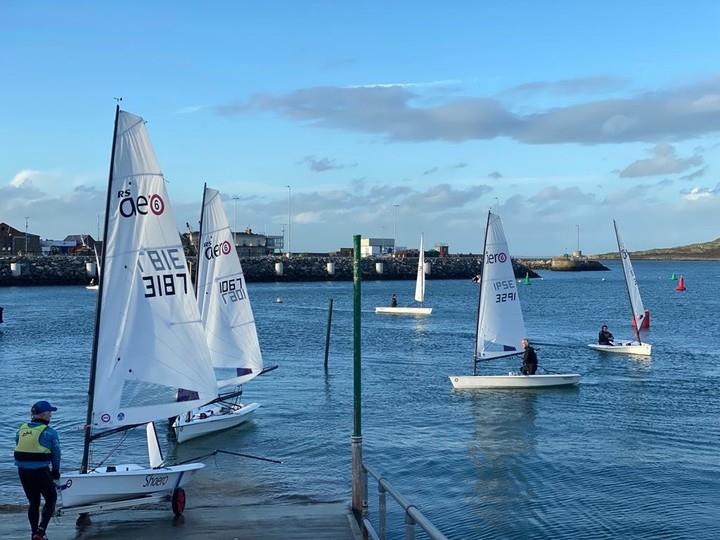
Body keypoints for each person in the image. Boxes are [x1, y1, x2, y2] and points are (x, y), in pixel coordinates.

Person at [15, 401, 61, 540]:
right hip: (40, 471)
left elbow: (19, 444)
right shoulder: (50, 432)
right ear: (44, 415)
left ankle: (33, 532)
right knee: (51, 498)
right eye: (50, 413)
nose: (51, 416)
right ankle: (41, 532)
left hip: (23, 471)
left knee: (33, 502)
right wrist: (55, 471)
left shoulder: (21, 429)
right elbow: (56, 454)